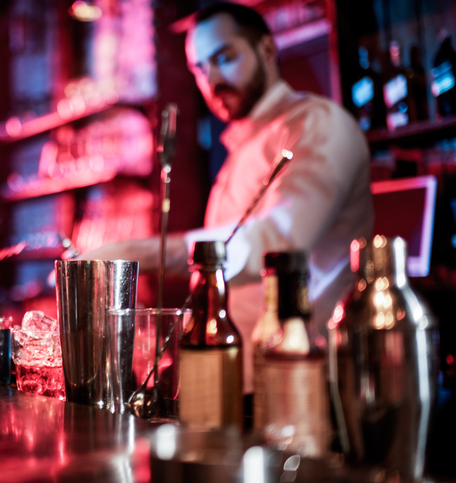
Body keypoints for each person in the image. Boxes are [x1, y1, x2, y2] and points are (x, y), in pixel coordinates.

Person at [79, 3, 374, 394]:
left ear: (267, 50)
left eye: (225, 58)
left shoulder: (320, 124)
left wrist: (134, 252)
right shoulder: (243, 146)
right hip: (245, 381)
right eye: (200, 68)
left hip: (310, 381)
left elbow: (276, 243)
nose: (212, 78)